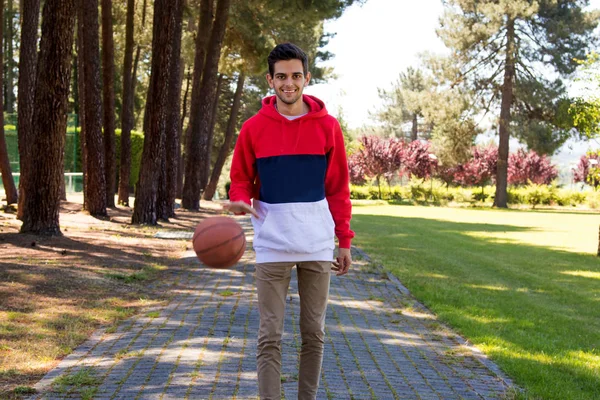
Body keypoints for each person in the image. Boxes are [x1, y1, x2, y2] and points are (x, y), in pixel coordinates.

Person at [224, 42, 354, 400]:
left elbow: (338, 188)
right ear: (270, 80)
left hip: (316, 243)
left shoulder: (328, 127)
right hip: (272, 242)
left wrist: (344, 240)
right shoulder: (253, 129)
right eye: (281, 77)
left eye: (296, 76)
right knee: (270, 335)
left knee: (314, 333)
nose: (289, 83)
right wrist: (239, 199)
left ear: (307, 78)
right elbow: (241, 178)